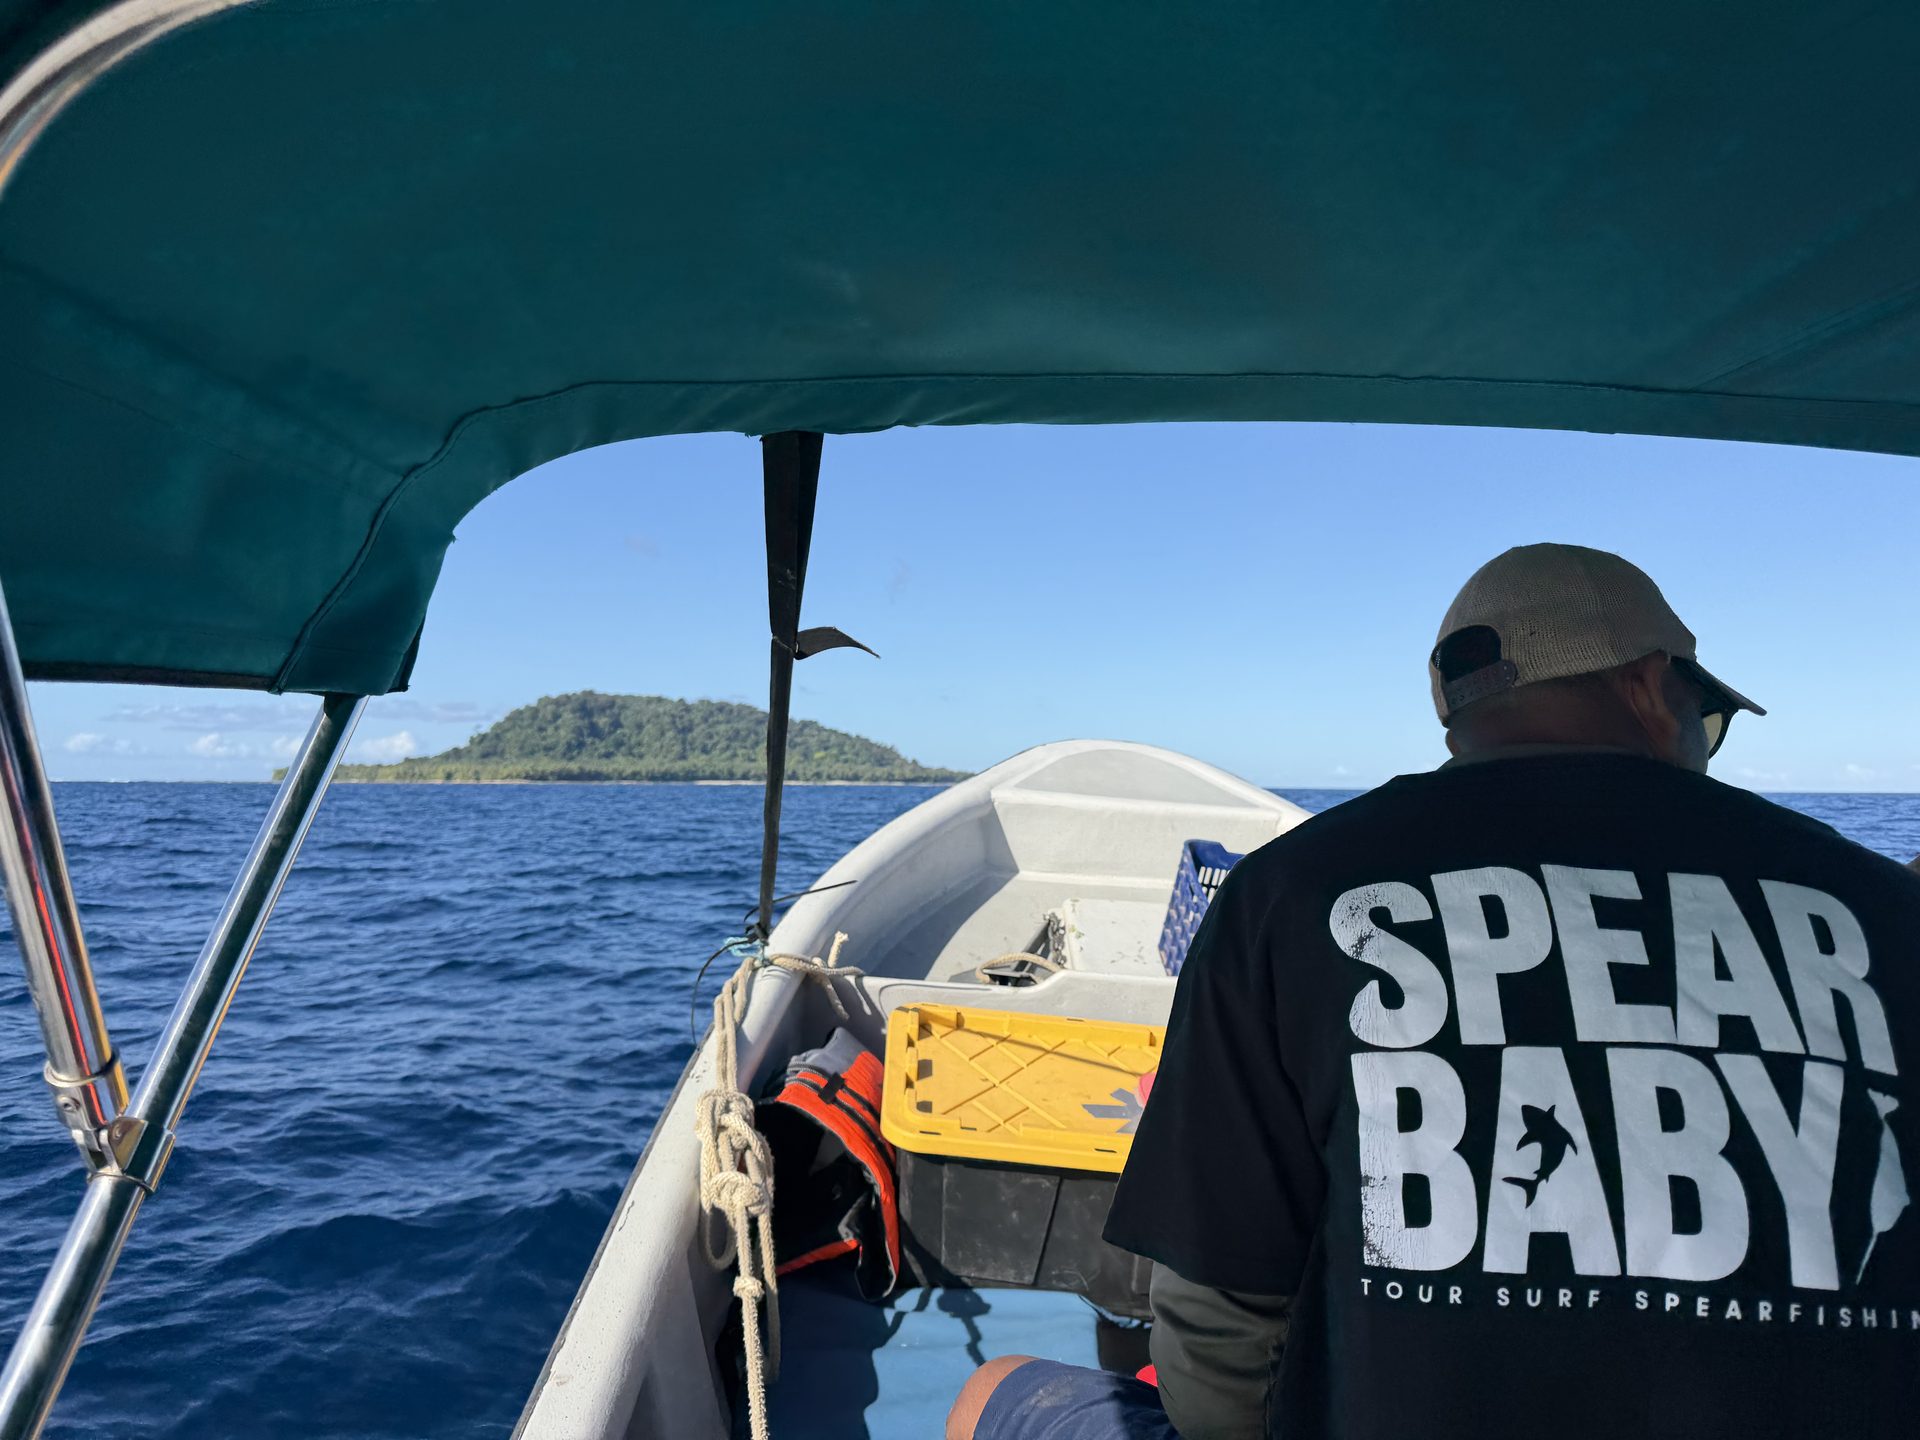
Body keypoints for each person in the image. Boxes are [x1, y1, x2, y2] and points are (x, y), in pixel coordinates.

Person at [950, 542, 1920, 1439]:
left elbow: (1216, 1324)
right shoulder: (1888, 910)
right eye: (1708, 717)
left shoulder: (1292, 896)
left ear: (1457, 715)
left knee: (994, 1395)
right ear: (1648, 685)